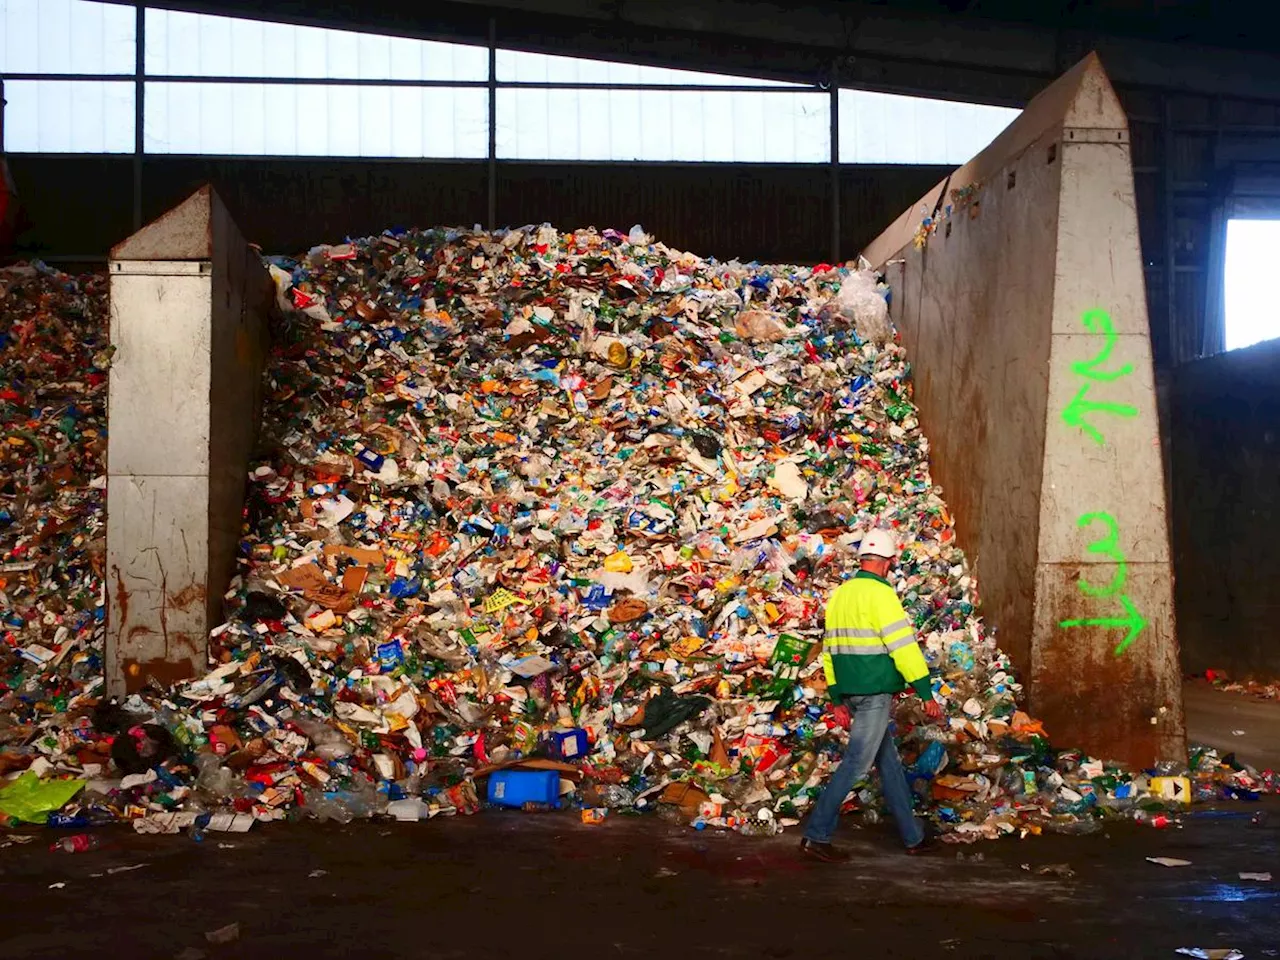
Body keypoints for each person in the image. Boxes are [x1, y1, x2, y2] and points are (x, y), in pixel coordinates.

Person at [799, 528, 943, 862]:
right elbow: (902, 646)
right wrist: (925, 692)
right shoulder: (882, 596)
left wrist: (836, 698)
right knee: (856, 765)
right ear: (888, 563)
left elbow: (830, 649)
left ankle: (913, 836)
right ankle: (816, 835)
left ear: (864, 559)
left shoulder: (840, 595)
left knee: (888, 764)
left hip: (849, 691)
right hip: (874, 693)